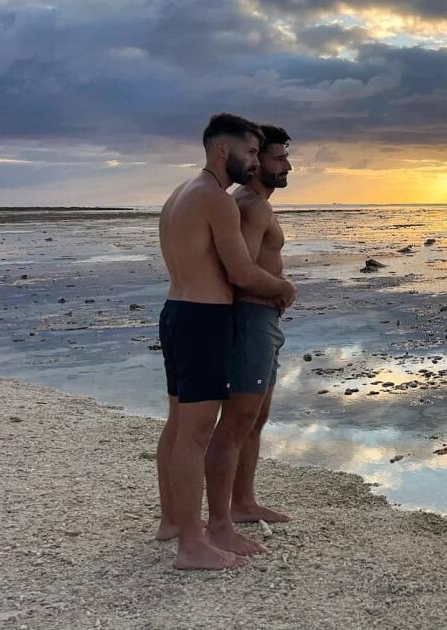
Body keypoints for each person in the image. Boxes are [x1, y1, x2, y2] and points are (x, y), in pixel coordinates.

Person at [156, 113, 296, 570]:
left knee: (181, 426)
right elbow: (239, 271)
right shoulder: (215, 197)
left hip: (176, 311)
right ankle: (195, 542)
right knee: (196, 433)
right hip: (203, 318)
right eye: (251, 152)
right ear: (223, 150)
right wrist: (282, 288)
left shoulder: (181, 194)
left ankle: (174, 523)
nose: (254, 162)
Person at [204, 124, 293, 555]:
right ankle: (220, 519)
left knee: (256, 419)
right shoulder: (251, 207)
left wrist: (276, 291)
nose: (286, 165)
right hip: (251, 321)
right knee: (237, 420)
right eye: (278, 158)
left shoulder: (256, 204)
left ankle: (243, 501)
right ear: (257, 163)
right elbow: (237, 275)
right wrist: (280, 288)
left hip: (265, 320)